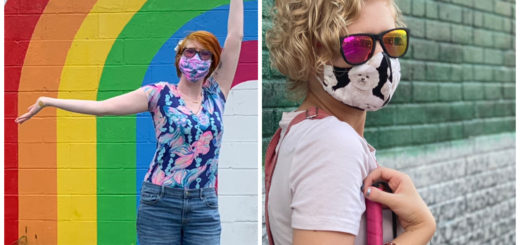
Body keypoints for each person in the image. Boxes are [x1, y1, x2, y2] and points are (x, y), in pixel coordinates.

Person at [15, 0, 243, 244]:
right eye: (189, 52)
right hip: (160, 203)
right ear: (179, 58)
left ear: (212, 61)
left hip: (203, 206)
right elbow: (102, 108)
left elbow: (236, 35)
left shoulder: (217, 93)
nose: (196, 58)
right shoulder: (159, 94)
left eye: (204, 54)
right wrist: (48, 101)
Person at [264, 0, 435, 244]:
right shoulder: (330, 145)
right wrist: (420, 229)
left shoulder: (305, 131)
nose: (381, 59)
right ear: (313, 54)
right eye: (357, 47)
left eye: (391, 40)